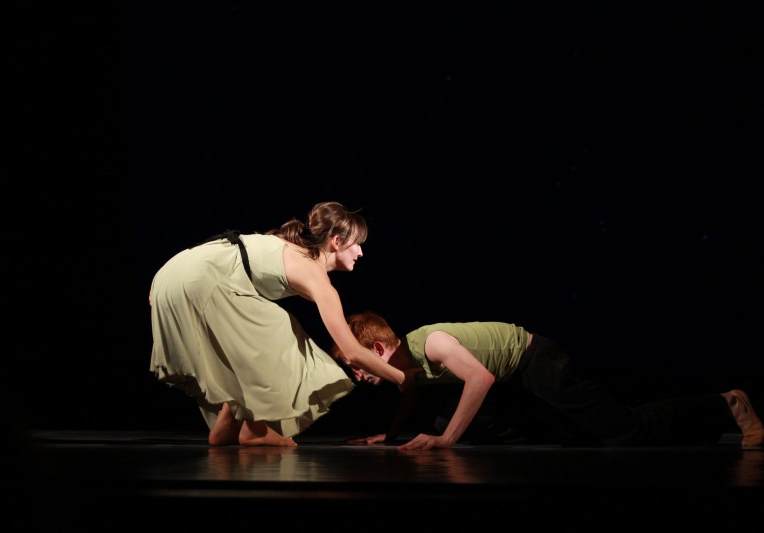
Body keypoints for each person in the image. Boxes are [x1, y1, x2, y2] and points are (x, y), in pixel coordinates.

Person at [148, 202, 411, 447]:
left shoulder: (288, 247)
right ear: (336, 241)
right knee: (280, 329)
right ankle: (255, 429)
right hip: (201, 279)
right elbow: (351, 351)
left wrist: (168, 283)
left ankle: (229, 423)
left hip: (171, 275)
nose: (361, 252)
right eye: (358, 244)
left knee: (249, 338)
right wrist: (403, 378)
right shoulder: (314, 274)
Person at [330, 310, 764, 450]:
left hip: (537, 360)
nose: (357, 374)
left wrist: (445, 441)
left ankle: (726, 403)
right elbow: (410, 392)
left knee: (624, 431)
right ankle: (702, 429)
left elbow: (480, 379)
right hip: (517, 380)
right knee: (579, 437)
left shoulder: (432, 344)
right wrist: (390, 436)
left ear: (379, 349)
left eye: (357, 365)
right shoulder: (407, 367)